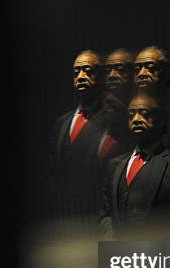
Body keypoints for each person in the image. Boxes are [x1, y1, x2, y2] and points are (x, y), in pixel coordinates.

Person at [99, 94, 170, 238]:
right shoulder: (114, 165)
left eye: (144, 114)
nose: (136, 120)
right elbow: (106, 215)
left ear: (161, 120)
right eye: (131, 115)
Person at [48, 49, 121, 237]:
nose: (81, 76)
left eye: (88, 71)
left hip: (100, 221)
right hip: (65, 221)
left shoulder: (116, 120)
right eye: (77, 72)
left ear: (102, 76)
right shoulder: (61, 124)